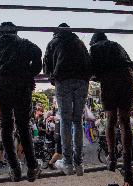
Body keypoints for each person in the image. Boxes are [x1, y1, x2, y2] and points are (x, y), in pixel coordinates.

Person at [0, 22, 42, 182]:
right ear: (15, 31)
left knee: (7, 128)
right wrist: (31, 73)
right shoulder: (24, 43)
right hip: (22, 85)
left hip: (2, 86)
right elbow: (38, 53)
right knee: (23, 127)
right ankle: (31, 166)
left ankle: (15, 168)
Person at [43, 23, 91, 176]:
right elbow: (89, 63)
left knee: (65, 121)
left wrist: (52, 77)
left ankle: (68, 163)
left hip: (63, 80)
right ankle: (79, 163)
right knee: (78, 121)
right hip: (82, 81)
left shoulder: (53, 42)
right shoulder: (80, 43)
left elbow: (46, 66)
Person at [89, 32, 133, 186]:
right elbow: (130, 64)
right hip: (127, 78)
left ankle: (112, 156)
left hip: (109, 81)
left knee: (111, 120)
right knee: (125, 121)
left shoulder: (94, 48)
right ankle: (128, 164)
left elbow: (92, 72)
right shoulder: (117, 45)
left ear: (94, 41)